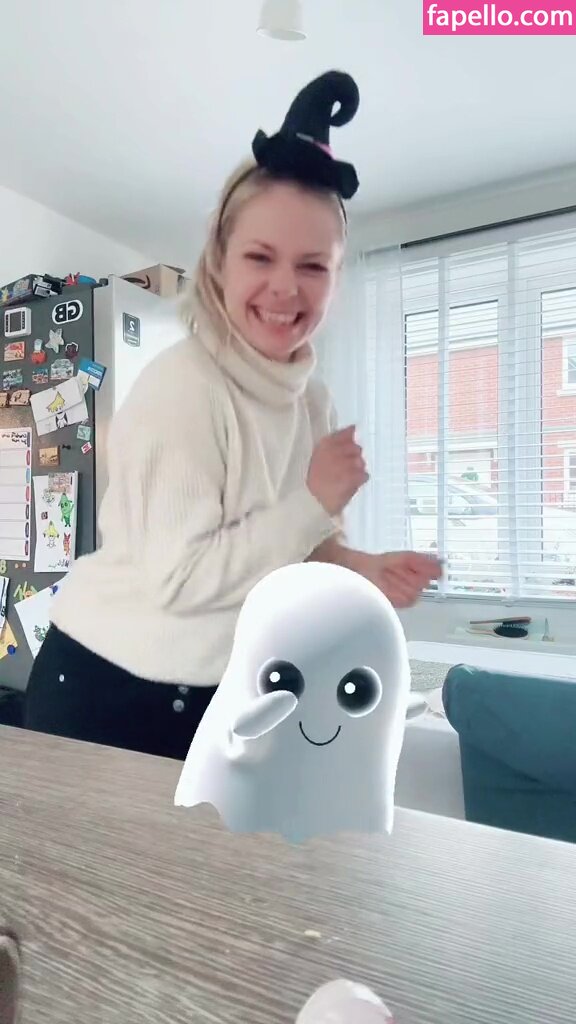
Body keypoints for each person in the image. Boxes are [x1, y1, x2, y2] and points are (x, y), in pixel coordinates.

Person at [25, 70, 441, 760]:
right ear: (218, 262)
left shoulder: (312, 399)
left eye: (313, 266)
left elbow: (292, 547)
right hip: (108, 689)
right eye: (260, 257)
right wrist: (314, 500)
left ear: (337, 277)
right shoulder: (184, 387)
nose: (285, 287)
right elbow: (182, 581)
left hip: (222, 684)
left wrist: (360, 567)